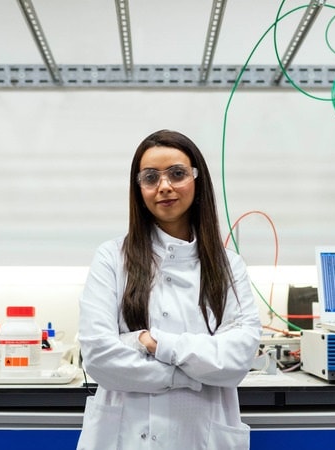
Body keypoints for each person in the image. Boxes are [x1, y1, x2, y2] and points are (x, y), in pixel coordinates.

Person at [77, 129, 262, 449]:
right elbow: (98, 356)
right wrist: (191, 376)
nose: (164, 186)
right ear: (139, 188)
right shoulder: (112, 258)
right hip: (126, 436)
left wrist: (154, 342)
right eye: (151, 178)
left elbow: (237, 359)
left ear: (196, 179)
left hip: (200, 435)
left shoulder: (229, 267)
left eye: (177, 174)